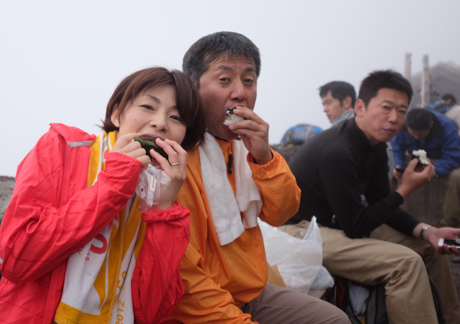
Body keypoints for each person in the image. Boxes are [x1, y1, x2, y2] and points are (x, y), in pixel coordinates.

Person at [0, 67, 206, 324]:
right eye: (148, 107)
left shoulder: (161, 197)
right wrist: (115, 182)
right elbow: (16, 259)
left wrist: (164, 209)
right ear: (116, 113)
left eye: (176, 118)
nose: (160, 123)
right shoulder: (62, 148)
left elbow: (152, 311)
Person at [166, 31, 349, 324]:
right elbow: (182, 277)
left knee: (334, 320)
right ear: (192, 87)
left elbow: (282, 213)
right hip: (195, 305)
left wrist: (265, 158)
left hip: (248, 292)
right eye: (224, 80)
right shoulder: (175, 158)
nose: (240, 92)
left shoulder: (244, 150)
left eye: (249, 80)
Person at [282, 70, 460, 324]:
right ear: (360, 107)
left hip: (338, 222)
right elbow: (357, 226)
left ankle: (451, 320)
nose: (394, 119)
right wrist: (405, 189)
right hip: (301, 231)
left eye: (401, 111)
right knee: (405, 263)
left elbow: (381, 206)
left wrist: (427, 230)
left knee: (429, 247)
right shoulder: (338, 151)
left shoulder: (374, 145)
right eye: (386, 107)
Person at [392, 108, 460, 227]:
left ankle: (448, 223)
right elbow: (397, 147)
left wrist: (432, 169)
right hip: (419, 157)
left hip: (443, 160)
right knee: (391, 173)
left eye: (421, 134)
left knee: (456, 178)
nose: (417, 138)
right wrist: (399, 166)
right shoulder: (403, 123)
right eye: (413, 134)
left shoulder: (448, 126)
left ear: (431, 125)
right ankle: (392, 214)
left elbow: (453, 157)